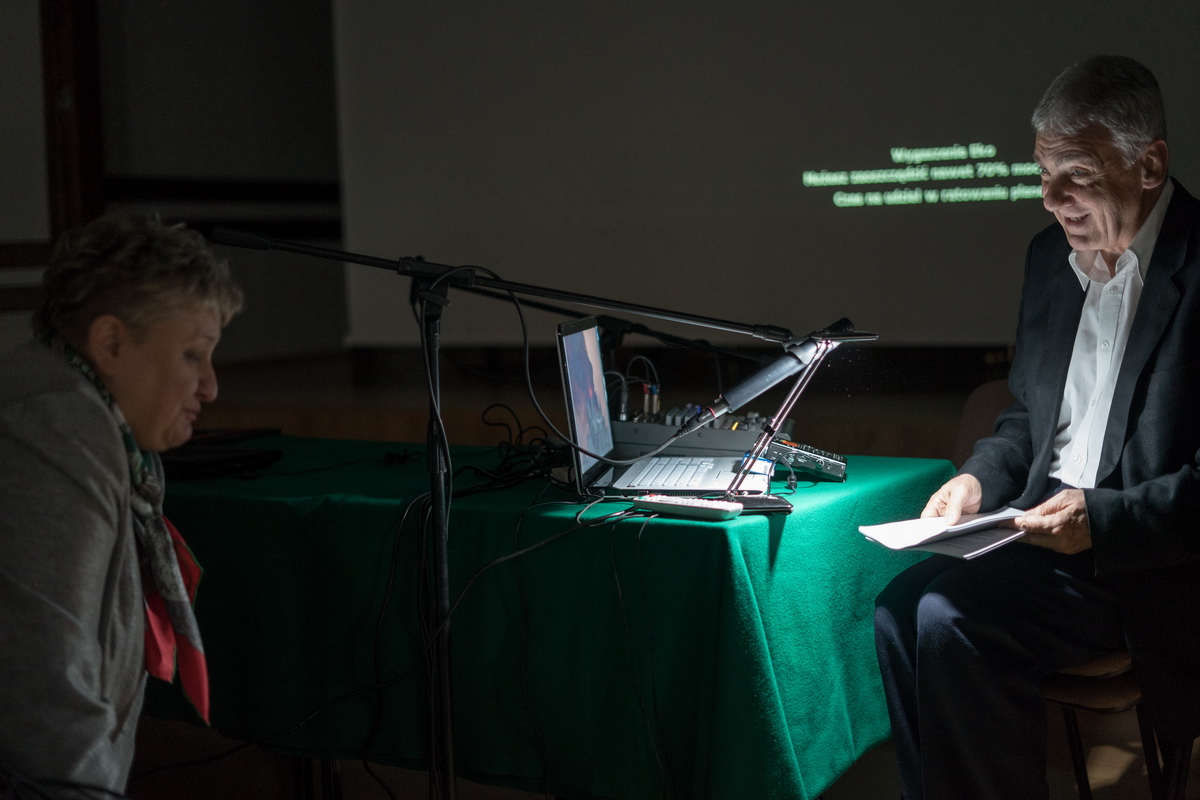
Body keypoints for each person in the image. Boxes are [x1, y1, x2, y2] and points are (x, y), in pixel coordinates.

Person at [874, 55, 1200, 799]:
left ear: (1150, 165)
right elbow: (1028, 417)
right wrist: (976, 478)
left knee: (948, 619)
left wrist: (1103, 519)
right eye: (1043, 173)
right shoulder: (1049, 259)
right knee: (896, 610)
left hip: (1152, 561)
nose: (1050, 200)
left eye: (1075, 174)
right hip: (1042, 534)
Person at [0, 214, 243, 798]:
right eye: (193, 355)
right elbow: (44, 684)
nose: (211, 387)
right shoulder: (56, 423)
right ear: (110, 343)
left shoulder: (112, 433)